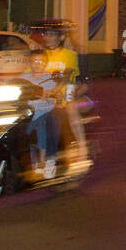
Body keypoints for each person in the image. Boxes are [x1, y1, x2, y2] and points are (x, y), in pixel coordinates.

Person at [40, 22, 90, 171]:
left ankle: (82, 148)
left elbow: (67, 76)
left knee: (70, 106)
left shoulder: (70, 55)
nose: (46, 37)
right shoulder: (42, 56)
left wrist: (55, 90)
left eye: (51, 34)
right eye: (45, 34)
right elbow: (28, 72)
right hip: (46, 97)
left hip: (67, 95)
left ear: (61, 37)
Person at [20, 49, 63, 180]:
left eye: (40, 61)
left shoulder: (51, 78)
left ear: (46, 63)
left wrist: (57, 100)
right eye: (34, 61)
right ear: (29, 62)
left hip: (44, 112)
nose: (37, 64)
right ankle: (31, 162)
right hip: (27, 113)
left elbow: (59, 95)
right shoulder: (23, 78)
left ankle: (46, 162)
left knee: (42, 126)